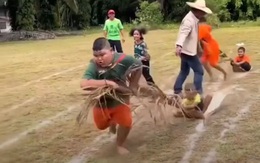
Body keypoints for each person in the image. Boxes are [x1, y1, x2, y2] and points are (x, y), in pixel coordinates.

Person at [80, 37, 142, 155]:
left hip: (121, 100)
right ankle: (112, 122)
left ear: (112, 51)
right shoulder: (94, 65)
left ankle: (120, 144)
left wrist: (134, 84)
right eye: (96, 55)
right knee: (101, 126)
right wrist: (108, 83)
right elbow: (84, 84)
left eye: (102, 55)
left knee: (126, 123)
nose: (99, 59)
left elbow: (138, 65)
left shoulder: (124, 59)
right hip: (102, 103)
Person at [174, 0, 212, 95]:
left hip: (186, 50)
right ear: (197, 10)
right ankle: (198, 93)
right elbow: (183, 33)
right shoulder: (189, 20)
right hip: (188, 52)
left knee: (184, 71)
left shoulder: (193, 18)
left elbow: (194, 35)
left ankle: (177, 90)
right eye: (203, 12)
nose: (203, 14)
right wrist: (179, 45)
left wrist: (198, 48)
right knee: (199, 71)